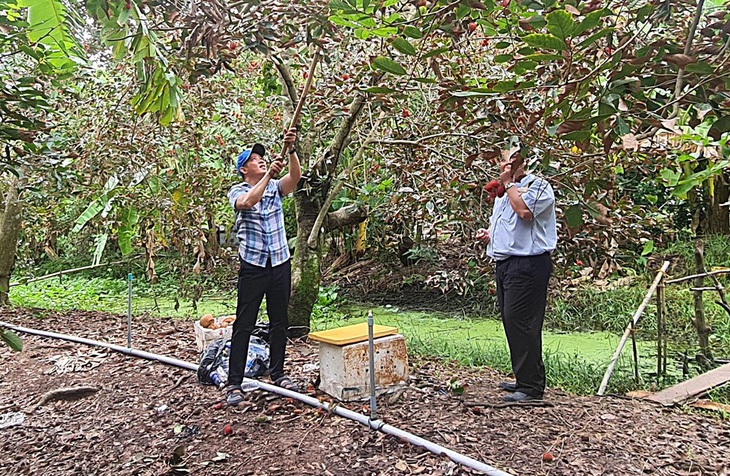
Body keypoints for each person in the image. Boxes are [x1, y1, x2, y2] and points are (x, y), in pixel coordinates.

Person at [225, 128, 301, 406]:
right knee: (244, 324)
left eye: (262, 158)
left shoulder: (275, 187)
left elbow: (294, 178)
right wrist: (269, 174)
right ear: (244, 169)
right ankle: (234, 383)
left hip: (280, 263)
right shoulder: (238, 190)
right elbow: (248, 202)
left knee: (280, 321)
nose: (260, 160)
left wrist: (291, 149)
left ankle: (278, 373)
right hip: (254, 267)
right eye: (254, 159)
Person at [476, 148, 557, 402]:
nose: (504, 165)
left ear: (522, 163)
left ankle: (532, 387)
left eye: (510, 161)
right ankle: (523, 378)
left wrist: (509, 183)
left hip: (529, 265)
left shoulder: (539, 187)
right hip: (506, 265)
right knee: (512, 322)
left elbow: (524, 213)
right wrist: (488, 236)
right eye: (503, 161)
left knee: (523, 322)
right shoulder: (504, 193)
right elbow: (508, 227)